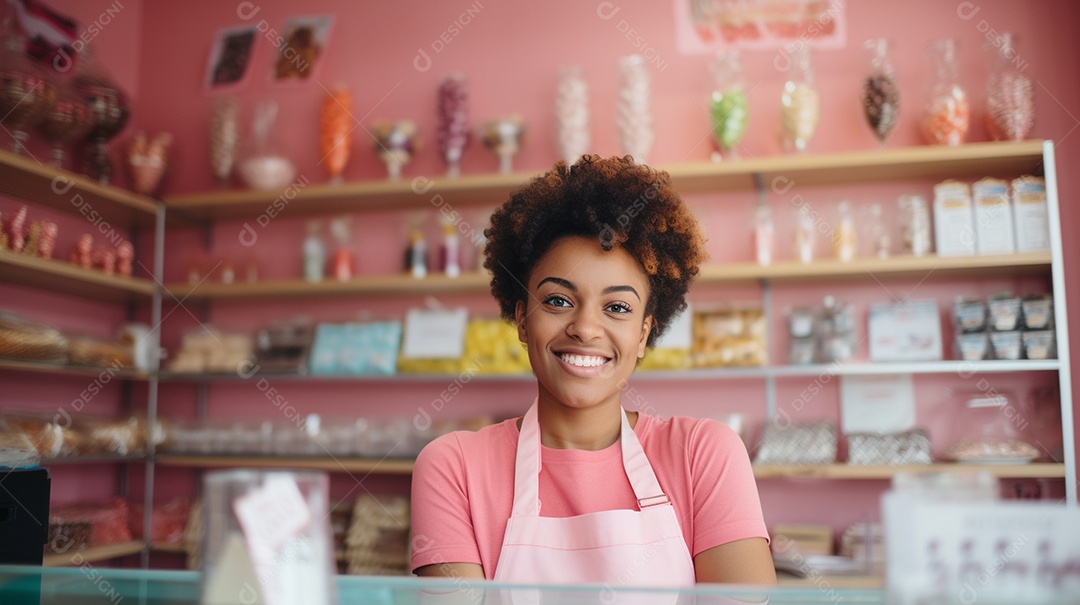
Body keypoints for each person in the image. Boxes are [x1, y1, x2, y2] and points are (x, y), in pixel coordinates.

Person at [410, 155, 776, 587]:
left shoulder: (703, 455)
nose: (584, 328)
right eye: (558, 300)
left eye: (617, 307)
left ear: (643, 335)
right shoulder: (454, 468)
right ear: (523, 319)